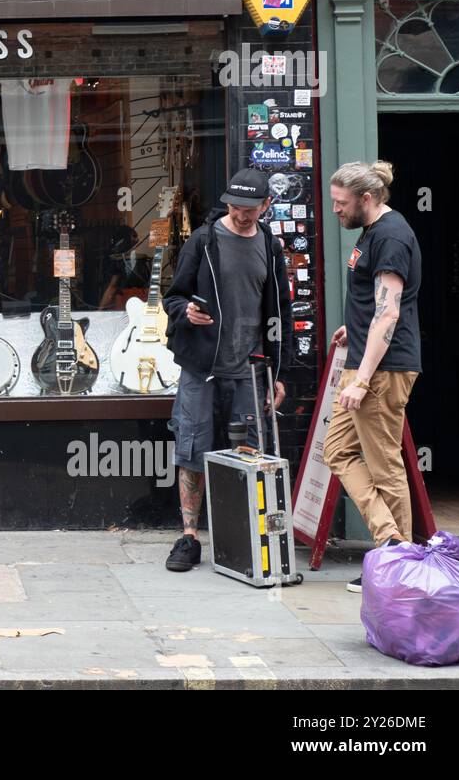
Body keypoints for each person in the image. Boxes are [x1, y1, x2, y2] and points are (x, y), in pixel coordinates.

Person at [161, 168, 293, 572]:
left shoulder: (270, 246)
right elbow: (172, 297)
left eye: (250, 208)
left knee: (250, 451)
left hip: (248, 368)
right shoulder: (203, 241)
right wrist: (186, 312)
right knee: (192, 449)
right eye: (235, 207)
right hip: (200, 367)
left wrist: (281, 374)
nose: (241, 215)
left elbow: (280, 314)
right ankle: (188, 538)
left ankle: (245, 538)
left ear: (265, 206)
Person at [325, 161, 421, 593]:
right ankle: (391, 541)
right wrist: (354, 324)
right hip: (364, 363)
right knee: (337, 451)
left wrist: (362, 380)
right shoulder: (370, 232)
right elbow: (373, 306)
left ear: (367, 199)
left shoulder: (391, 236)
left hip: (379, 373)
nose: (335, 211)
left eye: (341, 203)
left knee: (385, 469)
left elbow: (390, 311)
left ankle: (400, 568)